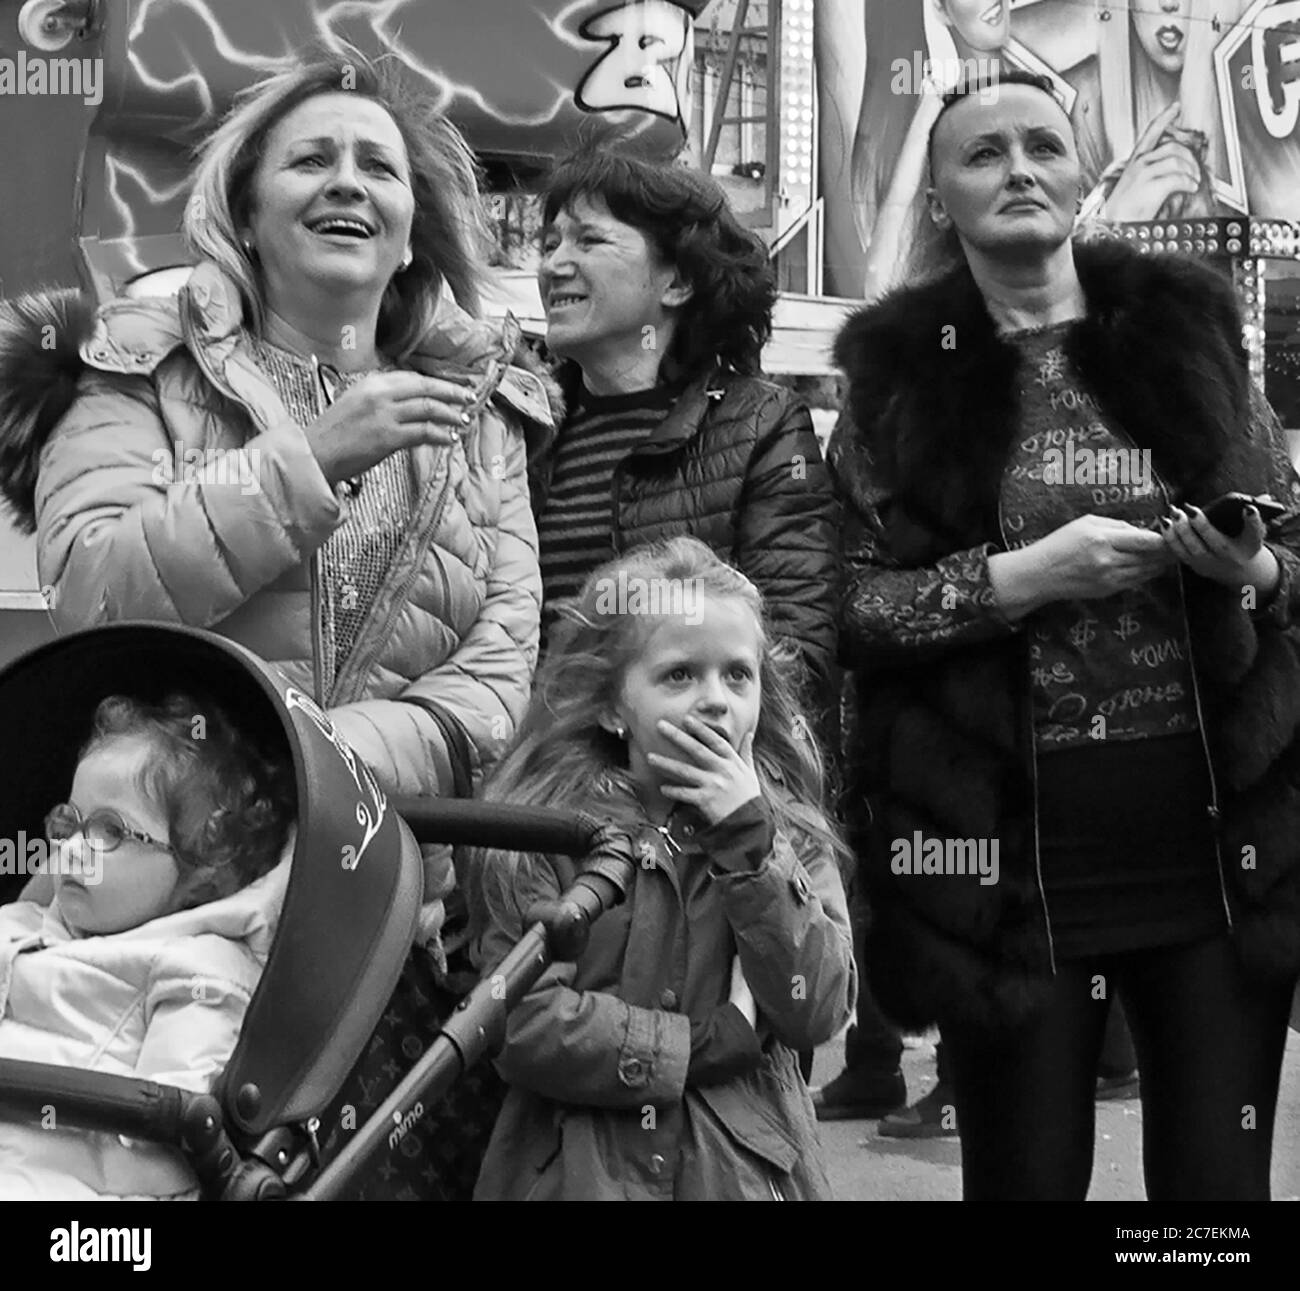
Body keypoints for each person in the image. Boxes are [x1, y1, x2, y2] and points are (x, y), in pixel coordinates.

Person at [829, 69, 1300, 1200]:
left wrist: (1257, 567)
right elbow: (847, 607)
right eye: (981, 154)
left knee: (1214, 1198)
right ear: (940, 196)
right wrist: (1014, 580)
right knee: (1024, 1182)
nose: (1017, 169)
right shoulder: (895, 377)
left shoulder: (1186, 333)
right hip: (1002, 870)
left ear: (1082, 168)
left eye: (1041, 144)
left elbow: (1294, 549)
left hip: (1213, 849)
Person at [0, 50, 547, 974]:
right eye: (311, 160)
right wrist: (312, 462)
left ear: (412, 233)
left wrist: (319, 776)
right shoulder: (136, 360)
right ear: (246, 216)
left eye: (379, 166)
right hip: (155, 911)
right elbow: (95, 593)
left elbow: (497, 677)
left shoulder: (483, 412)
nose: (348, 182)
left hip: (386, 913)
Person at [470, 537, 855, 1200]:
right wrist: (701, 1044)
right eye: (680, 674)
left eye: (738, 675)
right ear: (613, 704)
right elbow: (519, 1020)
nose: (715, 700)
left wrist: (751, 848)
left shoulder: (785, 831)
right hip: (577, 1175)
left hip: (740, 1174)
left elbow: (817, 1005)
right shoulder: (545, 827)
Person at [530, 148, 838, 741]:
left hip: (691, 788)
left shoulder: (762, 425)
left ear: (677, 281)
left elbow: (796, 649)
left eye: (589, 241)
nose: (554, 265)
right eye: (549, 244)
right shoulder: (527, 428)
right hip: (541, 791)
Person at [0, 692, 295, 1200]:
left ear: (203, 873)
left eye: (109, 830)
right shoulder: (28, 922)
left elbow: (170, 1156)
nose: (71, 849)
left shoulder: (197, 972)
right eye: (68, 824)